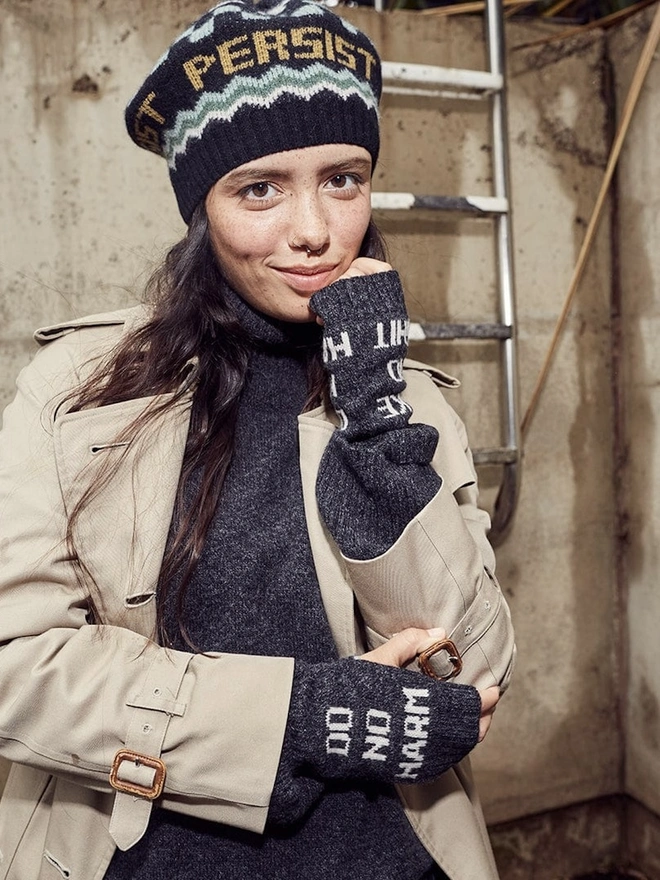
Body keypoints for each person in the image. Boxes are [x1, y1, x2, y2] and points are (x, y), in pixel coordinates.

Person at [0, 1, 515, 878]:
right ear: (201, 206)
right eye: (260, 189)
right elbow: (20, 666)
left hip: (390, 857)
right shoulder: (79, 392)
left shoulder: (409, 397)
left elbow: (478, 667)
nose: (313, 229)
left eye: (343, 179)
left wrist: (377, 416)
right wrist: (303, 716)